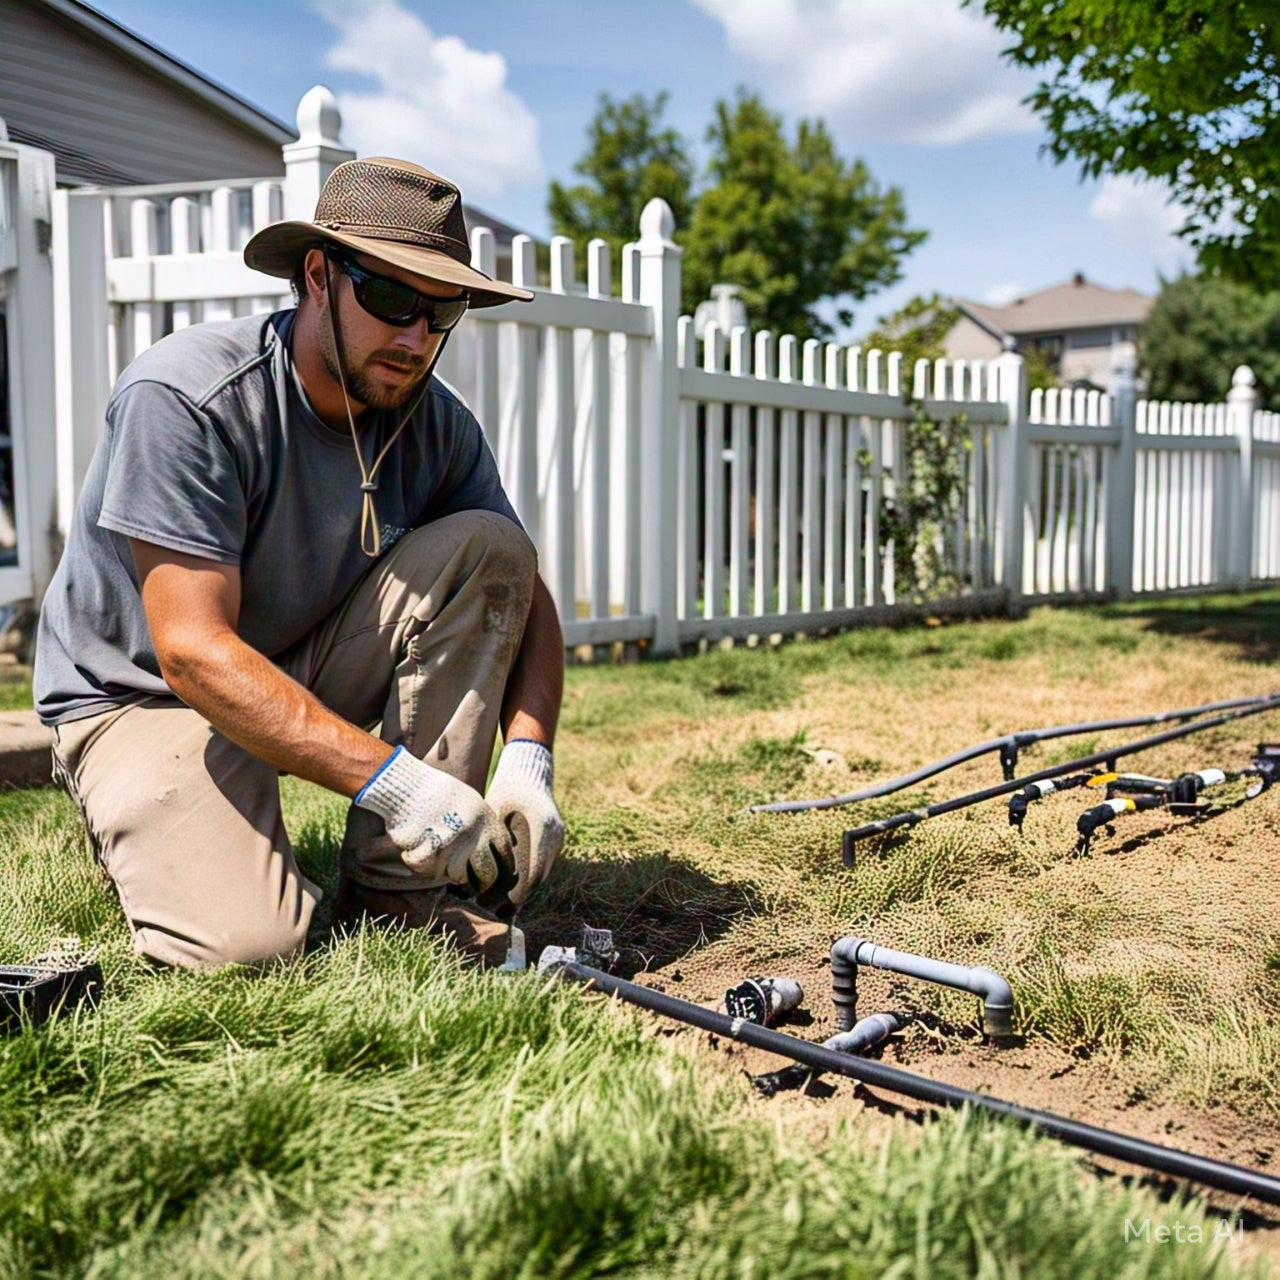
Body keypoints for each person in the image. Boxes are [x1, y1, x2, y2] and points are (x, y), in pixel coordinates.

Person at [33, 156, 565, 970]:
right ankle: (129, 810)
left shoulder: (436, 423)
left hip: (295, 661)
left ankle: (400, 894)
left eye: (443, 310)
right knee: (250, 948)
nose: (416, 336)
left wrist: (530, 757)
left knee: (493, 547)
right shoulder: (188, 397)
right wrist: (401, 785)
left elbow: (519, 583)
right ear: (317, 275)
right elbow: (190, 651)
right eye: (391, 297)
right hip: (142, 696)